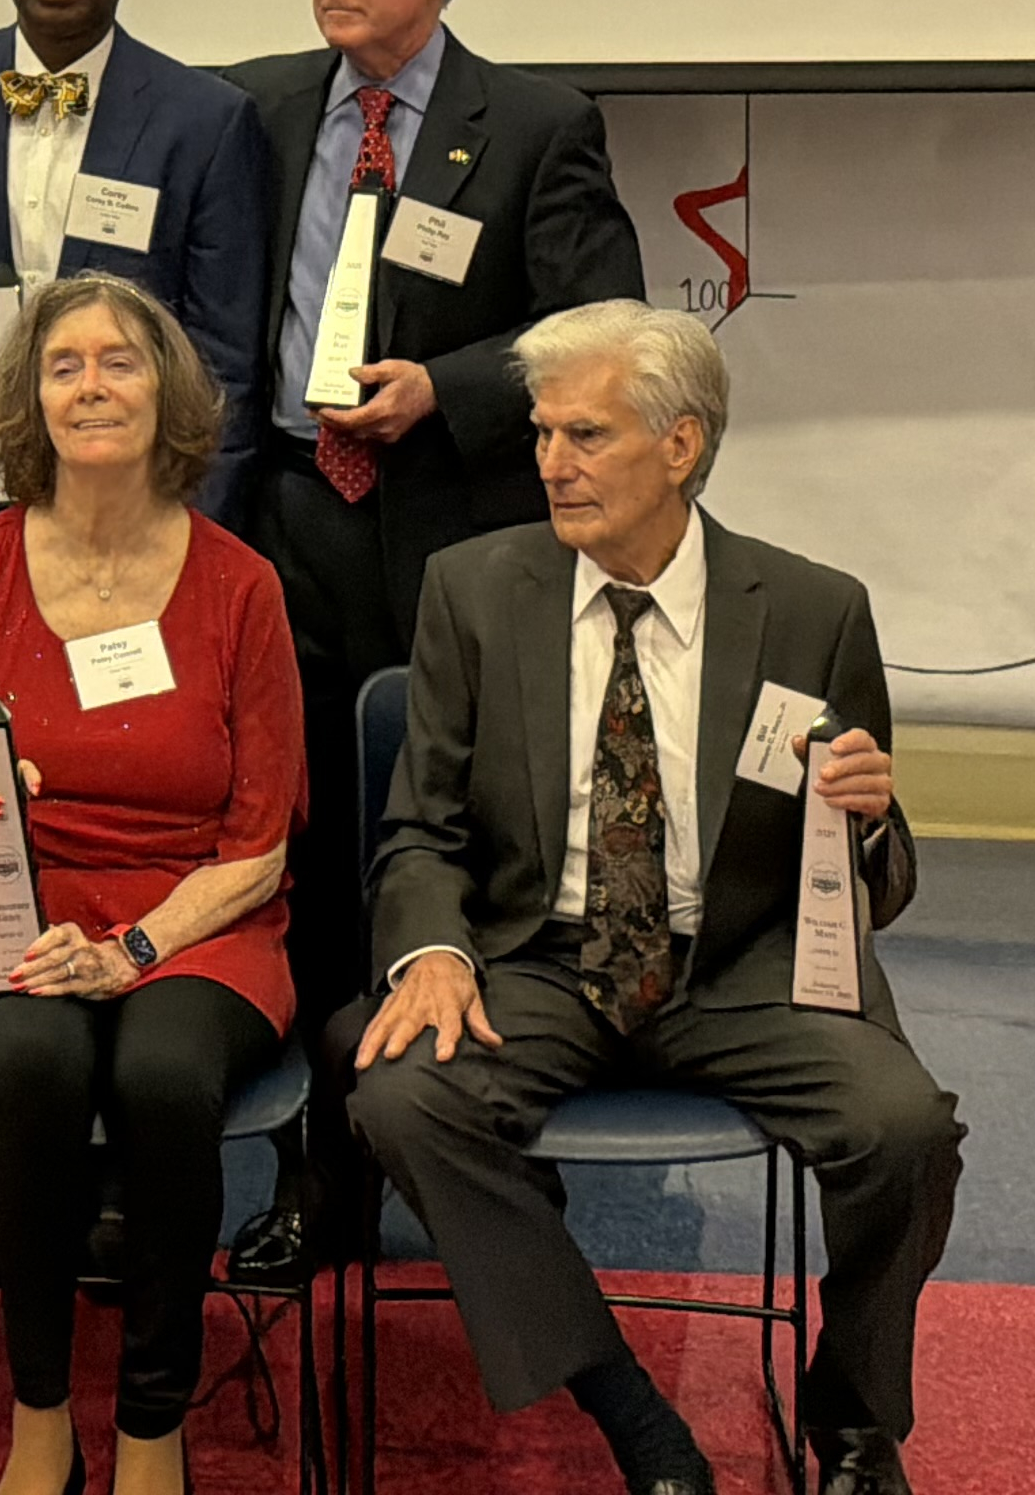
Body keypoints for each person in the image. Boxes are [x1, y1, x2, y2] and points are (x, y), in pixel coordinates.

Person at [348, 303, 954, 1495]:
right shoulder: (474, 590)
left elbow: (867, 874)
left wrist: (874, 817)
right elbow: (421, 826)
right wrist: (433, 950)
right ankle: (628, 1407)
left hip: (743, 965)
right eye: (541, 433)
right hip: (542, 956)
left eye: (587, 435)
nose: (550, 464)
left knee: (906, 1132)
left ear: (681, 446)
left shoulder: (812, 608)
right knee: (403, 1098)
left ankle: (851, 1415)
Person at [225, 0, 645, 1279]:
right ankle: (321, 1174)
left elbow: (601, 322)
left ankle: (483, 1140)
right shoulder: (261, 108)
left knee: (466, 846)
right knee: (309, 855)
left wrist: (445, 388)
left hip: (456, 534)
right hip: (285, 526)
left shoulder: (531, 123)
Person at [0, 0, 268, 1286]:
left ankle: (125, 1189)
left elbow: (219, 344)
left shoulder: (208, 117)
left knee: (133, 805)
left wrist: (160, 533)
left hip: (145, 537)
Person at [0, 275, 304, 1495]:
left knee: (167, 1074)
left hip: (197, 913)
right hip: (2, 908)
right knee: (43, 1059)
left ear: (167, 390)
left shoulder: (242, 587)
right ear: (31, 403)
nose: (91, 385)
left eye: (120, 361)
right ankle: (39, 1415)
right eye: (63, 366)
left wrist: (131, 951)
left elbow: (260, 841)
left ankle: (153, 1426)